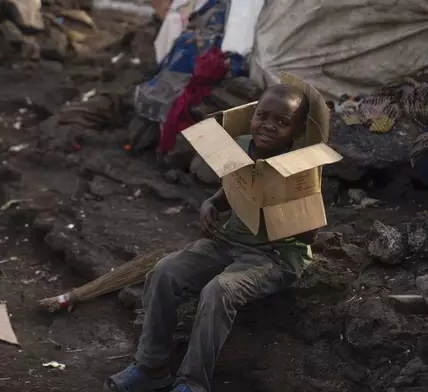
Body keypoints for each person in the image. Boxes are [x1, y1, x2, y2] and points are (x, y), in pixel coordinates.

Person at [105, 84, 319, 392]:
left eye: (282, 122)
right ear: (253, 116)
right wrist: (209, 205)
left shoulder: (300, 169)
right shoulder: (241, 146)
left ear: (297, 130)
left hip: (275, 254)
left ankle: (192, 384)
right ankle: (151, 367)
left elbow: (311, 233)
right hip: (230, 241)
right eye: (263, 116)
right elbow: (227, 195)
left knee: (219, 290)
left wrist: (276, 206)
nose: (269, 126)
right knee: (164, 272)